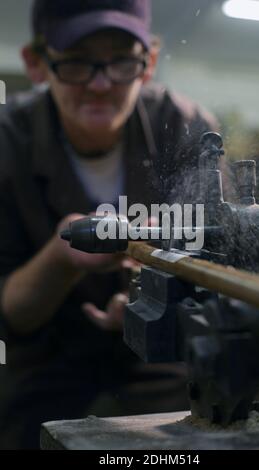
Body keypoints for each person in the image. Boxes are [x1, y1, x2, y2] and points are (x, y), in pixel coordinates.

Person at [0, 0, 216, 449]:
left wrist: (157, 299)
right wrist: (61, 258)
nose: (100, 85)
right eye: (78, 62)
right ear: (37, 64)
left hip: (165, 358)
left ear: (148, 63)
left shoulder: (188, 128)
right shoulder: (7, 143)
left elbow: (217, 273)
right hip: (44, 360)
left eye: (120, 62)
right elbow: (10, 313)